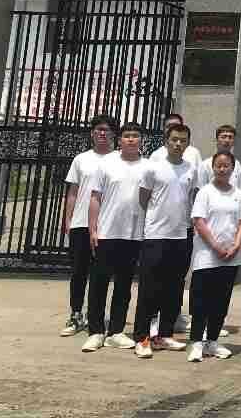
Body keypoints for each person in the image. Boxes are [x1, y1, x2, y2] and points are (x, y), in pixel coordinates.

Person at [132, 121, 198, 357]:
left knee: (174, 287)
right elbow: (143, 198)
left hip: (181, 235)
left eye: (182, 140)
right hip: (156, 236)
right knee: (149, 288)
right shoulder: (153, 168)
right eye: (174, 140)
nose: (178, 144)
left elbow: (191, 198)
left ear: (188, 144)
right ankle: (142, 337)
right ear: (166, 142)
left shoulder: (191, 169)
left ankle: (165, 334)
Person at [83, 123, 150, 352]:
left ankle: (116, 331)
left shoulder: (148, 168)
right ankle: (95, 331)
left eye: (135, 136)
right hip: (107, 232)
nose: (131, 139)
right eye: (126, 136)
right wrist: (93, 230)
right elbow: (95, 198)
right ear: (119, 140)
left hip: (134, 235)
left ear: (141, 140)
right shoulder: (107, 164)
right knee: (99, 283)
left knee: (124, 285)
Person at [187, 150, 241, 362]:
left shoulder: (237, 194)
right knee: (201, 300)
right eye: (218, 166)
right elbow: (199, 221)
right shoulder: (205, 192)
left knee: (221, 301)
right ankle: (197, 342)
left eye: (226, 166)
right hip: (207, 256)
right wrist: (216, 247)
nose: (222, 169)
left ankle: (212, 341)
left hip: (231, 256)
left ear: (233, 168)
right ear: (212, 168)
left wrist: (236, 245)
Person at [61, 114, 115, 337]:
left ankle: (96, 316)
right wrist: (68, 218)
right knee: (78, 272)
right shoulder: (81, 159)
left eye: (106, 129)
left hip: (106, 226)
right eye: (98, 129)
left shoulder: (118, 160)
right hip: (81, 224)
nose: (102, 133)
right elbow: (73, 191)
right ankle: (75, 314)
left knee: (101, 274)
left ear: (113, 134)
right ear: (92, 133)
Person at [198, 125, 241, 189]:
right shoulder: (205, 164)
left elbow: (239, 188)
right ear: (216, 140)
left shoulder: (237, 164)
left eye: (230, 137)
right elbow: (201, 188)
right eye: (223, 137)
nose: (227, 140)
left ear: (234, 141)